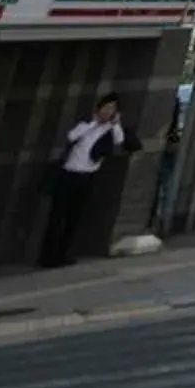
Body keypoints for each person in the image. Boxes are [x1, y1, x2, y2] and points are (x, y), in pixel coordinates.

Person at [39, 94, 129, 268]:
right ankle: (47, 255)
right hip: (68, 174)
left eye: (112, 109)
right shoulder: (86, 125)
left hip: (86, 177)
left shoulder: (110, 131)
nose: (108, 111)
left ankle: (63, 253)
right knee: (57, 216)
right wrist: (94, 122)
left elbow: (120, 140)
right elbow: (72, 136)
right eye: (106, 107)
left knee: (74, 217)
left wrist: (115, 123)